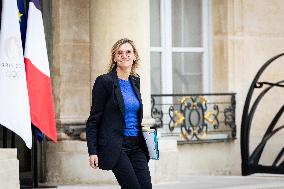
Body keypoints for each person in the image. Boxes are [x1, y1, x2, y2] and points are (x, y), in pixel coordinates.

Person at [86, 38, 152, 189]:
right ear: (115, 58)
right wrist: (93, 151)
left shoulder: (135, 81)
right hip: (117, 146)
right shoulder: (104, 82)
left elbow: (134, 114)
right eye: (120, 53)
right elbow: (93, 120)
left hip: (137, 145)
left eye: (128, 52)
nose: (124, 55)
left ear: (134, 56)